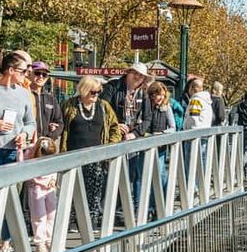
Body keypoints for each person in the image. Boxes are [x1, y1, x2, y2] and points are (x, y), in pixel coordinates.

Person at [0, 53, 36, 252]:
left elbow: (31, 123)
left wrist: (24, 134)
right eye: (24, 71)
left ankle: (5, 244)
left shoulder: (25, 93)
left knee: (12, 198)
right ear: (10, 70)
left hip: (14, 152)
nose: (27, 75)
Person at [61, 76, 123, 228]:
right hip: (73, 155)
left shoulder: (104, 106)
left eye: (98, 92)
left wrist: (111, 146)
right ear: (84, 90)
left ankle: (90, 223)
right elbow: (62, 125)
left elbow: (114, 127)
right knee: (72, 190)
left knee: (94, 191)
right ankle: (72, 223)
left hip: (97, 156)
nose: (96, 95)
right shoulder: (69, 105)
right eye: (93, 92)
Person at [100, 62, 153, 210]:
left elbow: (148, 118)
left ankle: (122, 212)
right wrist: (115, 124)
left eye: (141, 75)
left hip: (131, 140)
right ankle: (105, 211)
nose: (137, 77)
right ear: (128, 73)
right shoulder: (113, 87)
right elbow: (102, 108)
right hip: (112, 138)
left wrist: (135, 133)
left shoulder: (143, 93)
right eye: (135, 73)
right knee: (109, 175)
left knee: (129, 176)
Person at [145, 82, 176, 196]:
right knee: (146, 173)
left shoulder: (166, 108)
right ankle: (149, 203)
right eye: (158, 95)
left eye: (163, 95)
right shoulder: (146, 106)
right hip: (145, 144)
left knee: (160, 172)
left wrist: (162, 133)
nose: (161, 98)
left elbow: (173, 127)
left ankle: (162, 199)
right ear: (152, 94)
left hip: (160, 146)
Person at [28, 137, 58, 252]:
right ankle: (40, 243)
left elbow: (55, 169)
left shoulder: (52, 158)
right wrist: (20, 150)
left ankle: (50, 240)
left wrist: (53, 180)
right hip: (37, 187)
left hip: (49, 187)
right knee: (39, 216)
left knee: (51, 214)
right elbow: (25, 169)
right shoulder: (31, 156)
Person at [28, 61, 63, 141]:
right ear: (30, 74)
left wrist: (51, 135)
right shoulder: (25, 95)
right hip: (28, 143)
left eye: (44, 75)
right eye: (37, 73)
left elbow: (59, 123)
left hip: (46, 144)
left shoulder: (51, 99)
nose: (41, 77)